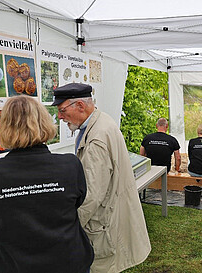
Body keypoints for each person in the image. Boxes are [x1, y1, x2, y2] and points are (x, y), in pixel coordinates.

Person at [0, 95, 94, 273]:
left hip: (14, 265)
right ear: (44, 122)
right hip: (69, 262)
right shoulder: (70, 165)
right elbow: (78, 201)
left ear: (4, 127)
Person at [53, 83, 151, 273]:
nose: (60, 116)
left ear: (80, 106)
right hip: (109, 214)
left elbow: (92, 194)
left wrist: (70, 228)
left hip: (104, 221)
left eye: (62, 110)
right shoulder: (100, 122)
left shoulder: (97, 137)